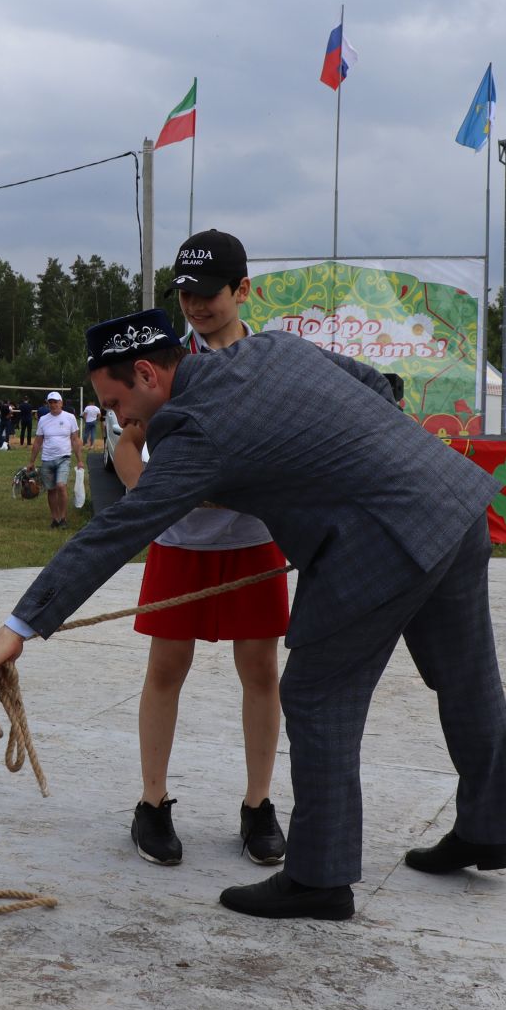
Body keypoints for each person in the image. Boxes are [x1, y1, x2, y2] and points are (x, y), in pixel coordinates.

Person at [0, 308, 506, 922]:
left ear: (147, 373)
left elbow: (116, 531)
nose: (119, 419)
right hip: (454, 503)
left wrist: (18, 628)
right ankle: (488, 829)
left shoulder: (197, 430)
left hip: (381, 543)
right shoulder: (271, 348)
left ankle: (318, 879)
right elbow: (376, 384)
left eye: (116, 402)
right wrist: (360, 464)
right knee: (467, 678)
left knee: (315, 693)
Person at [117, 230, 289, 869]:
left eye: (208, 293)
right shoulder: (163, 368)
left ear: (243, 290)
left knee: (261, 672)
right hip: (180, 545)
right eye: (185, 293)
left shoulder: (270, 362)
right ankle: (152, 804)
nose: (194, 305)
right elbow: (124, 450)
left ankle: (258, 805)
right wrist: (159, 497)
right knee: (166, 670)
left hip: (254, 542)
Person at [29, 391, 82, 529]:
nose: (53, 405)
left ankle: (63, 518)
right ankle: (55, 518)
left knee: (61, 486)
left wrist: (79, 459)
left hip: (63, 458)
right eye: (50, 402)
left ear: (61, 403)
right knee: (51, 490)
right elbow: (37, 442)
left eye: (55, 402)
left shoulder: (70, 418)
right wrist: (31, 461)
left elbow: (75, 440)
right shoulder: (43, 419)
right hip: (47, 459)